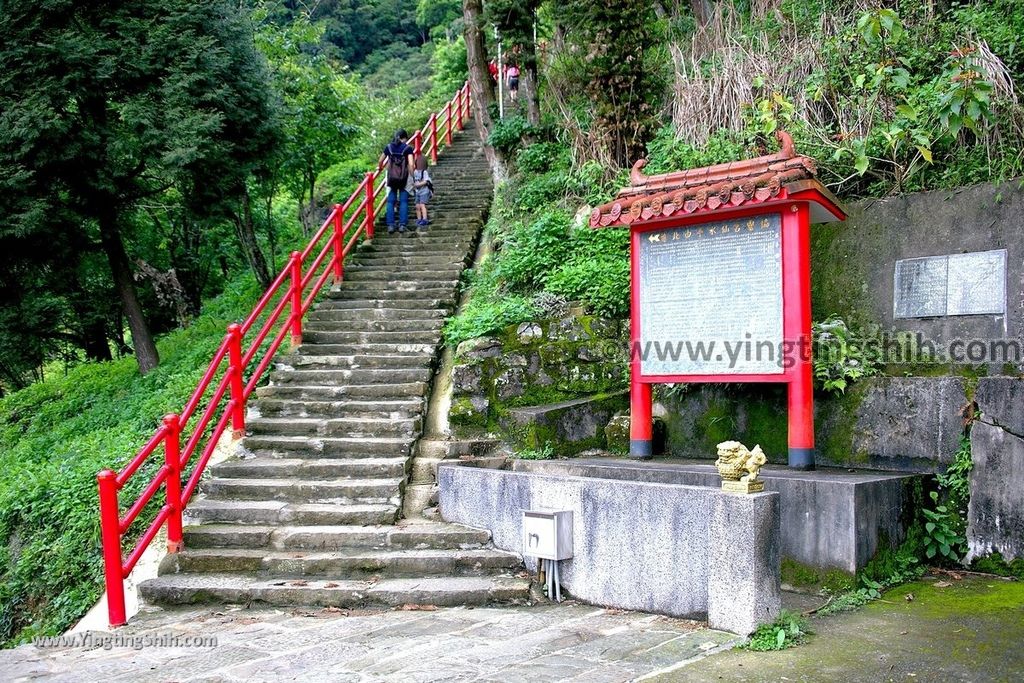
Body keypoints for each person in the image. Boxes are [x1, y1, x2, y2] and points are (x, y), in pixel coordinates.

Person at [383, 129, 415, 234]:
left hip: (391, 177)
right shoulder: (408, 148)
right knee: (404, 201)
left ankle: (390, 225)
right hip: (404, 177)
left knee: (391, 201)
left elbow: (380, 160)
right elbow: (411, 164)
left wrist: (379, 168)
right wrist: (412, 176)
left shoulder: (389, 147)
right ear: (404, 138)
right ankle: (402, 225)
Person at [412, 154, 432, 231]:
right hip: (417, 191)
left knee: (422, 204)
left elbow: (426, 181)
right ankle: (419, 219)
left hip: (424, 191)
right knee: (417, 206)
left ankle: (425, 219)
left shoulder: (424, 172)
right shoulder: (415, 172)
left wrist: (418, 184)